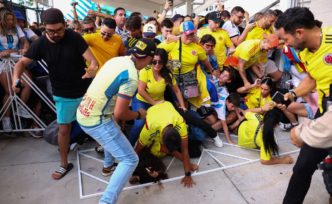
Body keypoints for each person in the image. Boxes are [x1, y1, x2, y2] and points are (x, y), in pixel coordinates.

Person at [12, 8, 98, 180]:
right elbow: (20, 64)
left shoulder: (74, 38)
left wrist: (92, 69)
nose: (56, 34)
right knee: (64, 129)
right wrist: (15, 80)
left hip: (85, 90)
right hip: (63, 93)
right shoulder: (41, 44)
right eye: (51, 31)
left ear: (65, 25)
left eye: (59, 29)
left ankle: (108, 156)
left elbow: (93, 60)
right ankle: (64, 164)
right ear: (44, 28)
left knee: (98, 124)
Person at [76, 39, 156, 204]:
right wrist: (138, 114)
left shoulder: (117, 60)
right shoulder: (132, 77)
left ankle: (107, 166)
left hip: (85, 111)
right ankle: (106, 202)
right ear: (149, 58)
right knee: (130, 159)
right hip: (97, 120)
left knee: (114, 132)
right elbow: (121, 113)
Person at [274, 7, 332, 203]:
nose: (283, 44)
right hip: (324, 112)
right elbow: (312, 79)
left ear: (299, 32)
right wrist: (290, 94)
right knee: (302, 168)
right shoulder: (305, 52)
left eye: (284, 39)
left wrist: (302, 133)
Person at [129, 48, 185, 146]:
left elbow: (176, 90)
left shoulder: (167, 74)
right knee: (139, 124)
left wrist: (183, 106)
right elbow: (141, 91)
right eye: (154, 62)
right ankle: (130, 144)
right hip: (142, 101)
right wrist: (154, 103)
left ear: (164, 62)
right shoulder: (145, 71)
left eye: (160, 62)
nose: (157, 64)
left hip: (158, 102)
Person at [135, 101, 196, 188]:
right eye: (168, 150)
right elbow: (137, 150)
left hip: (166, 106)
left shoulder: (180, 123)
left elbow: (184, 150)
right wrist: (136, 171)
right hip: (153, 111)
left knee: (195, 152)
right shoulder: (149, 129)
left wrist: (188, 174)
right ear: (161, 140)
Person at [158, 21, 213, 108]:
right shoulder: (172, 42)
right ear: (181, 33)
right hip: (174, 76)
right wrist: (168, 64)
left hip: (190, 77)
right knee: (177, 101)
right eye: (188, 34)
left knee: (191, 99)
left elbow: (205, 60)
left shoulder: (197, 47)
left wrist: (212, 71)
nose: (191, 37)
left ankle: (190, 114)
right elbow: (156, 52)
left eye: (192, 34)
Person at [0, 9, 29, 131]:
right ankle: (6, 119)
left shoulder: (17, 28)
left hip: (16, 61)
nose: (11, 22)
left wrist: (25, 48)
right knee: (10, 91)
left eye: (12, 19)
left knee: (28, 82)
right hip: (3, 63)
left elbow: (25, 42)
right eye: (8, 20)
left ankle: (21, 108)